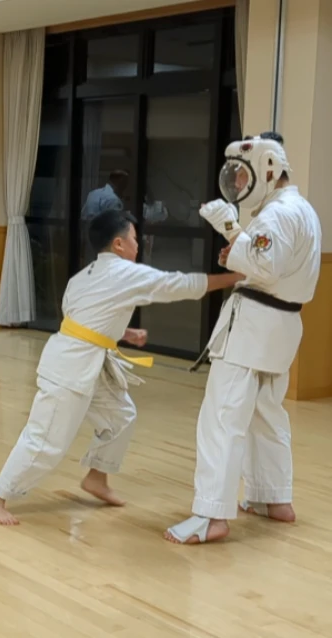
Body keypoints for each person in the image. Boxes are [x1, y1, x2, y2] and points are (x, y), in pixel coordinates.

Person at [0, 209, 245, 526]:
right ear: (119, 244)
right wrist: (237, 277)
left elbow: (84, 315)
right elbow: (178, 285)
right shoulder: (123, 273)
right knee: (46, 440)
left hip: (88, 362)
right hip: (70, 369)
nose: (138, 244)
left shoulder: (86, 276)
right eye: (134, 239)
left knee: (120, 416)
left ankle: (97, 478)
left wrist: (122, 332)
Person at [165, 132, 321, 545]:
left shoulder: (275, 216)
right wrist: (239, 249)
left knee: (222, 417)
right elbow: (273, 266)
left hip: (253, 323)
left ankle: (211, 515)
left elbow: (264, 267)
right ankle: (274, 498)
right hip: (284, 325)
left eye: (241, 176)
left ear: (268, 169)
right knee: (267, 414)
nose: (236, 185)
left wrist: (232, 230)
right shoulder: (303, 210)